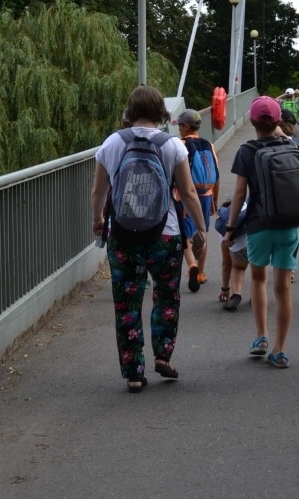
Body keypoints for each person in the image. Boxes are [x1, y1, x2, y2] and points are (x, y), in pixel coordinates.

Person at [91, 85, 206, 392]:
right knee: (167, 296)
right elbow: (190, 192)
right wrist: (201, 228)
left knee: (126, 302)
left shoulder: (112, 142)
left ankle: (133, 372)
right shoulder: (172, 145)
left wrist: (98, 221)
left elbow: (99, 191)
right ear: (161, 113)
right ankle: (163, 355)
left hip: (123, 234)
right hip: (164, 233)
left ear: (129, 111)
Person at [226, 95, 299, 368]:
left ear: (252, 120)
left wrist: (230, 228)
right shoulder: (293, 145)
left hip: (259, 225)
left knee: (258, 279)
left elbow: (238, 193)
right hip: (290, 225)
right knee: (283, 289)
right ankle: (280, 349)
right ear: (279, 120)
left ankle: (261, 336)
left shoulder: (247, 151)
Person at [174, 109, 220, 293]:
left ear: (185, 127)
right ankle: (201, 272)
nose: (178, 129)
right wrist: (215, 199)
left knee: (186, 235)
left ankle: (192, 265)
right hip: (206, 194)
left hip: (185, 195)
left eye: (179, 126)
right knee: (202, 232)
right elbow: (216, 174)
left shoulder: (180, 144)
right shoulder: (208, 144)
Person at [215, 198, 249, 312]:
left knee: (238, 267)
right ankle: (257, 295)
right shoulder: (249, 207)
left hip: (238, 247)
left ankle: (236, 294)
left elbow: (226, 263)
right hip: (256, 239)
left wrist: (225, 289)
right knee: (259, 269)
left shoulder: (223, 223)